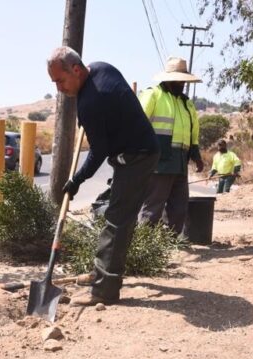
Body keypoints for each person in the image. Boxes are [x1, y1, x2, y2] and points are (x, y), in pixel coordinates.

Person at [47, 46, 160, 306]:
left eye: (60, 81)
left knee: (117, 220)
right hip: (135, 150)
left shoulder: (91, 103)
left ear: (76, 70)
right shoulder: (100, 68)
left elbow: (98, 152)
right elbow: (112, 109)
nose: (59, 88)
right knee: (117, 216)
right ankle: (101, 274)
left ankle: (104, 290)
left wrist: (76, 180)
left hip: (138, 156)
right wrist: (89, 122)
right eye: (54, 83)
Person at [137, 57, 204, 235]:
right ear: (168, 78)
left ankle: (168, 243)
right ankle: (145, 246)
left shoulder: (186, 103)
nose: (182, 84)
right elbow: (137, 124)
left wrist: (196, 154)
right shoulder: (153, 95)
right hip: (159, 162)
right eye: (179, 80)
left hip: (180, 162)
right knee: (153, 207)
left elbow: (193, 130)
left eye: (183, 80)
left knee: (179, 207)